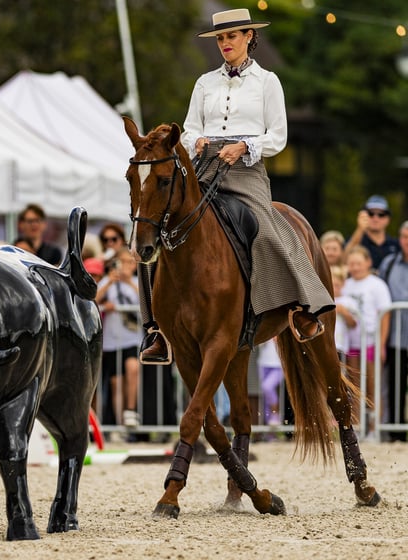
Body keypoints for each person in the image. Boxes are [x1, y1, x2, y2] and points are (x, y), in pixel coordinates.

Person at [139, 8, 334, 364]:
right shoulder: (204, 83)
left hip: (246, 170)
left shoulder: (267, 81)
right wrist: (196, 141)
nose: (225, 43)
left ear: (248, 37)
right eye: (220, 38)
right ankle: (156, 330)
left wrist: (245, 146)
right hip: (204, 167)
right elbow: (190, 125)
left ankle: (300, 306)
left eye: (232, 36)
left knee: (267, 228)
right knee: (154, 231)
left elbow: (278, 136)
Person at [342, 245, 391, 435]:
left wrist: (381, 343)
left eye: (359, 263)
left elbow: (385, 315)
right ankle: (357, 427)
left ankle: (373, 428)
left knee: (372, 386)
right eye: (352, 264)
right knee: (354, 387)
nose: (355, 267)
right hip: (350, 342)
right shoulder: (346, 285)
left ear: (368, 263)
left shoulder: (377, 284)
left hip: (369, 341)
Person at [95, 247, 142, 428]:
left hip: (132, 338)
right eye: (122, 262)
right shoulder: (109, 282)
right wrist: (108, 284)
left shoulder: (137, 283)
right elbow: (94, 298)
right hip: (112, 341)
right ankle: (119, 423)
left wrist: (129, 282)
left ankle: (130, 410)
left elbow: (147, 301)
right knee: (116, 383)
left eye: (130, 263)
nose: (126, 267)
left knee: (132, 368)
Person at [378, 220, 408, 441]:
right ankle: (396, 432)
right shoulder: (389, 264)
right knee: (395, 384)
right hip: (396, 336)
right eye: (405, 237)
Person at [345, 195, 399, 274]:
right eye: (371, 213)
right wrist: (360, 229)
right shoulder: (356, 239)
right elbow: (345, 259)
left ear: (388, 219)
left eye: (381, 214)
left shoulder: (396, 244)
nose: (375, 218)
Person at [331, 265, 358, 364]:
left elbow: (354, 324)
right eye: (331, 284)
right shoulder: (322, 301)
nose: (334, 288)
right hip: (325, 343)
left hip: (341, 345)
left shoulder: (349, 302)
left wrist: (345, 313)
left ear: (343, 284)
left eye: (337, 285)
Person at [256, 337, 283, 430]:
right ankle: (271, 433)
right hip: (263, 363)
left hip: (278, 365)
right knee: (265, 396)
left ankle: (275, 413)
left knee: (267, 387)